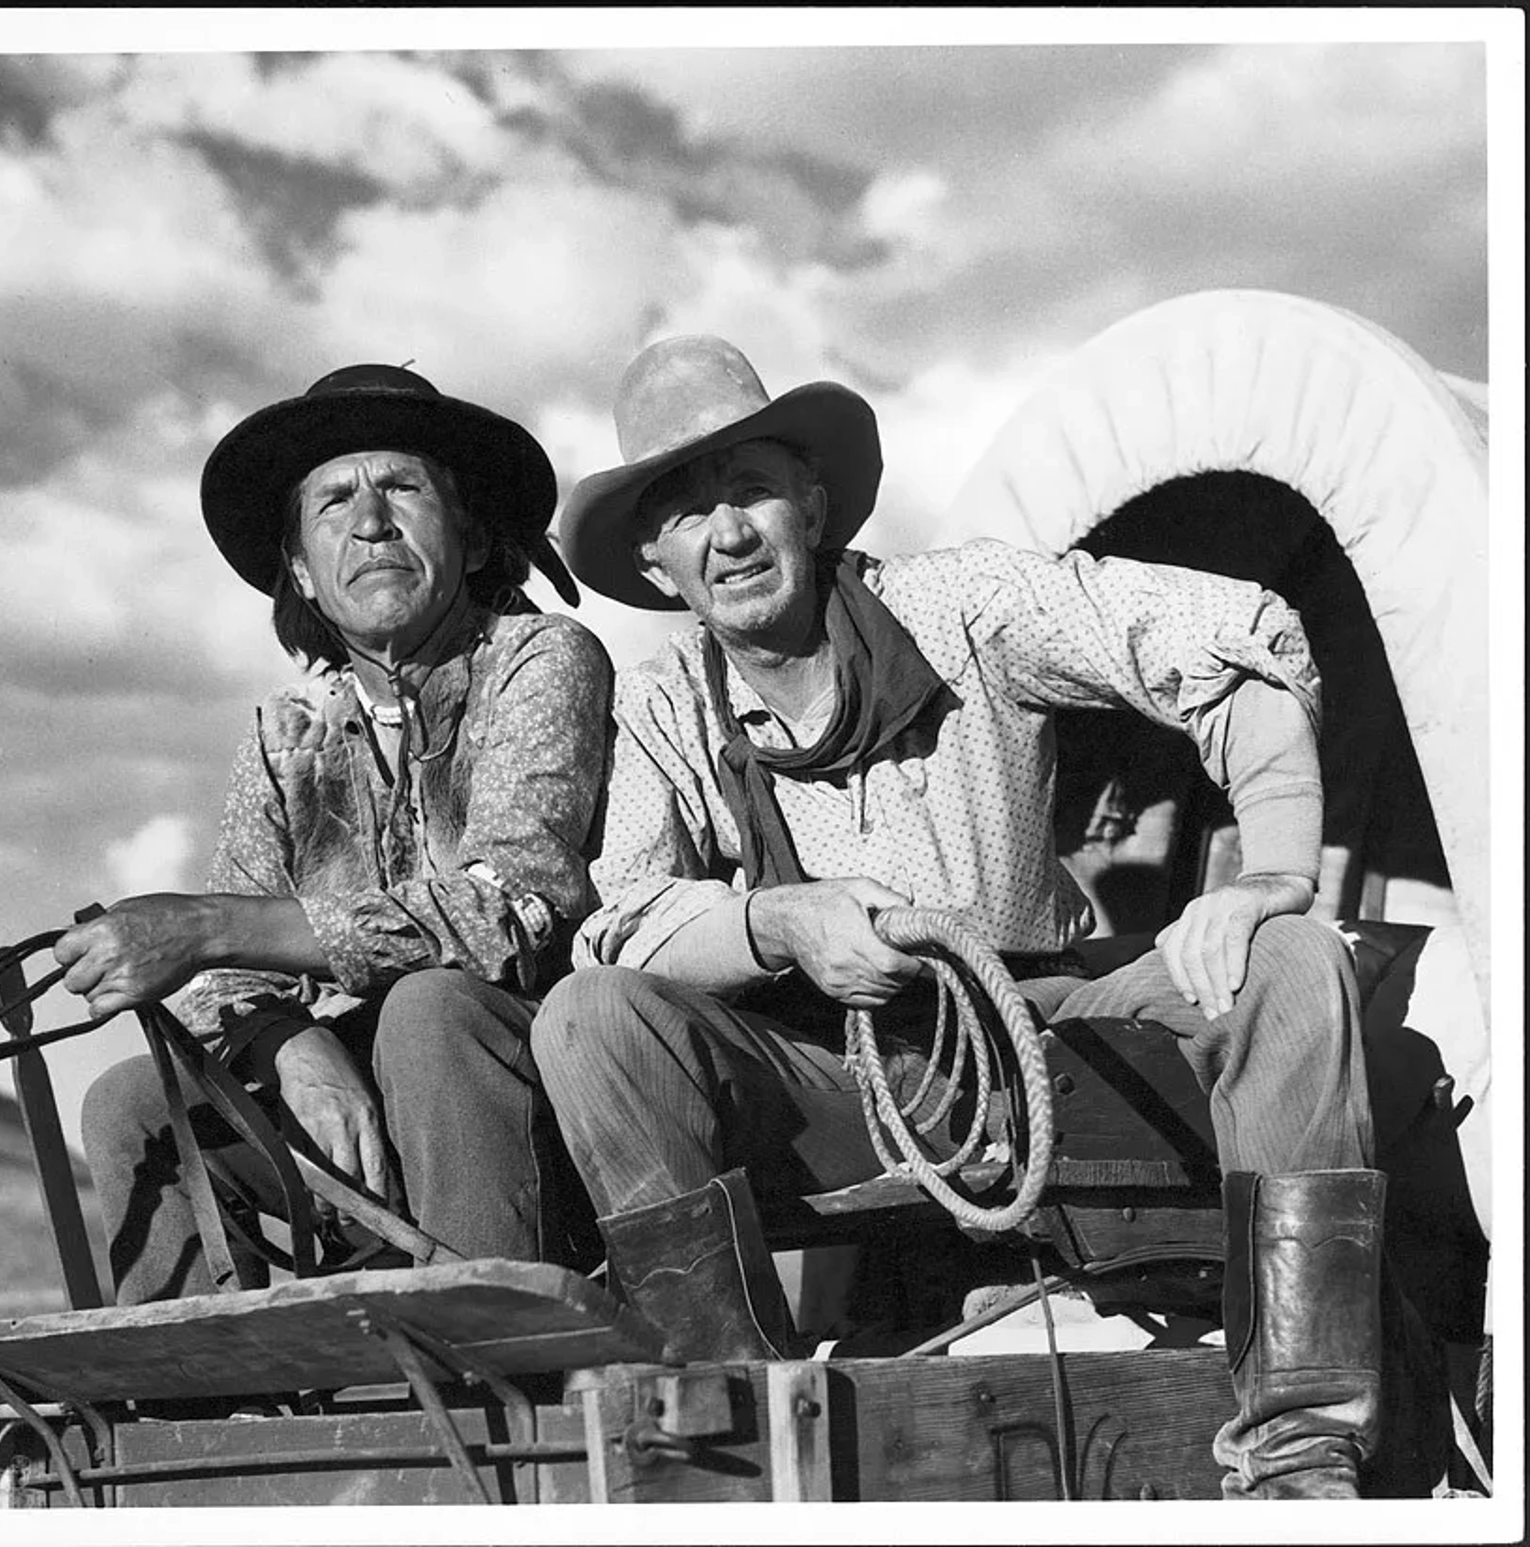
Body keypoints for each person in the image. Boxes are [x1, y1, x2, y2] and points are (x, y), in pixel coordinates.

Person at [532, 334, 1387, 1500]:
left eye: (752, 488)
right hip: (837, 1079)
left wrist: (1265, 876)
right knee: (590, 1016)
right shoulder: (665, 704)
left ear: (814, 499)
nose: (726, 533)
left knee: (1291, 961)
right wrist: (782, 922)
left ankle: (1300, 1447)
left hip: (1051, 1031)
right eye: (686, 510)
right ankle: (733, 1442)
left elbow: (1235, 640)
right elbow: (622, 915)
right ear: (655, 554)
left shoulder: (967, 602)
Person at [58, 363, 610, 1300]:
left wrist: (205, 926)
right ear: (307, 574)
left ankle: (493, 1363)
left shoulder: (543, 659)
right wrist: (286, 1044)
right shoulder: (286, 738)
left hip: (526, 1079)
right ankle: (205, 1414)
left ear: (472, 538)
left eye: (401, 486)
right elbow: (220, 992)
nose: (371, 522)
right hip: (359, 1100)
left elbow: (504, 909)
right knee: (131, 1106)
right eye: (334, 502)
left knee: (430, 1006)